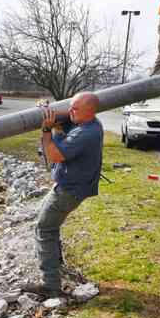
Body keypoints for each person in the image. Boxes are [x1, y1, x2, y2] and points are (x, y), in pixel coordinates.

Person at [24, 92, 103, 297]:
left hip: (69, 190)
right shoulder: (90, 122)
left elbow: (54, 155)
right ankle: (57, 265)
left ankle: (50, 285)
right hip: (74, 186)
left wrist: (46, 129)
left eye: (74, 109)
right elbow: (68, 119)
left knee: (44, 229)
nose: (70, 112)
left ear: (89, 111)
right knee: (50, 225)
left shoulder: (85, 133)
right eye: (70, 107)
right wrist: (48, 109)